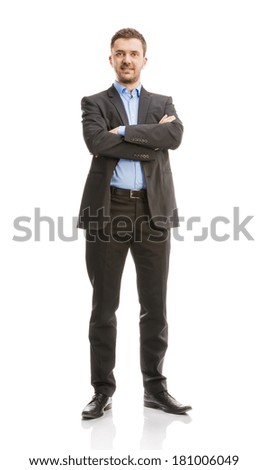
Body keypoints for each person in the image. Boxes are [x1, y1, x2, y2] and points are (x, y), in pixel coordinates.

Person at [78, 28, 192, 419]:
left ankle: (155, 389)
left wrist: (124, 132)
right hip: (107, 212)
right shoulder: (94, 103)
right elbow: (97, 143)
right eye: (119, 53)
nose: (127, 59)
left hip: (152, 212)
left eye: (134, 53)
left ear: (145, 59)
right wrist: (150, 141)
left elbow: (173, 135)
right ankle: (102, 391)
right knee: (104, 306)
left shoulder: (164, 102)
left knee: (155, 307)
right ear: (110, 59)